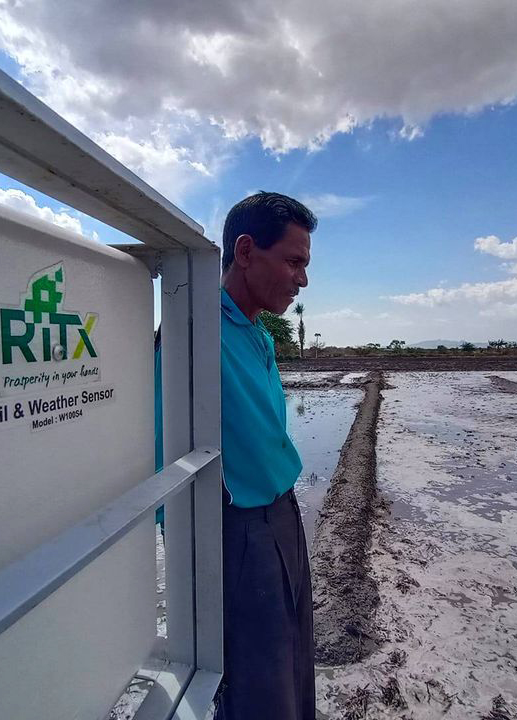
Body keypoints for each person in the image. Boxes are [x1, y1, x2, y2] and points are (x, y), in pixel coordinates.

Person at [217, 192, 316, 720]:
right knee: (258, 684)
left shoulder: (259, 334)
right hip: (240, 529)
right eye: (294, 261)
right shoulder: (195, 334)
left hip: (284, 515)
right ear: (246, 250)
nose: (302, 279)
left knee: (296, 662)